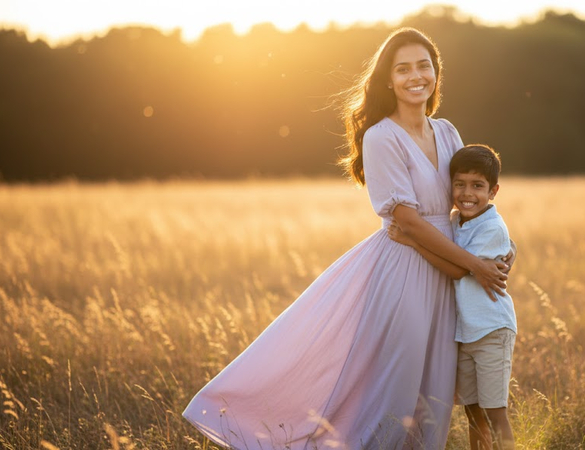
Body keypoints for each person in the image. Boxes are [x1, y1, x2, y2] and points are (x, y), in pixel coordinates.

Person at [182, 28, 509, 450]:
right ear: (388, 79)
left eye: (424, 66)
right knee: (399, 383)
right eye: (403, 68)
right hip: (406, 269)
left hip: (452, 272)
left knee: (437, 386)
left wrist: (498, 249)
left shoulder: (447, 132)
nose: (415, 76)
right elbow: (406, 221)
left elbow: (471, 201)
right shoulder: (380, 136)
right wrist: (474, 265)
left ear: (436, 73)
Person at [388, 144, 517, 450]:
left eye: (477, 186)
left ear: (493, 191)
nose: (466, 193)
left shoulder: (492, 228)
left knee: (495, 412)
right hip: (466, 332)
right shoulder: (457, 221)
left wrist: (413, 242)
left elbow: (460, 271)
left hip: (491, 330)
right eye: (459, 184)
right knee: (473, 413)